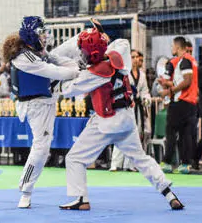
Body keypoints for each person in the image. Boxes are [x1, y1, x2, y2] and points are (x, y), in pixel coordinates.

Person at [56, 23, 183, 211]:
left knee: (74, 158)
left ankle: (81, 199)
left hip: (107, 122)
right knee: (141, 158)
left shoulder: (94, 73)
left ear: (92, 54)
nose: (80, 53)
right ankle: (169, 194)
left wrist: (61, 76)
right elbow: (120, 43)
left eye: (83, 51)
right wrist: (102, 37)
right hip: (127, 120)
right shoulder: (121, 57)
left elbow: (67, 90)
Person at [3, 16, 79, 209]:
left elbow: (57, 62)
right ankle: (25, 190)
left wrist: (68, 61)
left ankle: (85, 37)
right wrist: (77, 72)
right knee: (41, 149)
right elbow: (58, 73)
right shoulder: (25, 58)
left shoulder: (35, 52)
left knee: (65, 51)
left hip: (46, 98)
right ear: (31, 35)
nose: (45, 37)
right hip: (36, 106)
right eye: (42, 34)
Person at [158, 36, 199, 174]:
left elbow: (187, 81)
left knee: (171, 131)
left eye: (172, 46)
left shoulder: (184, 61)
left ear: (178, 47)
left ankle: (167, 162)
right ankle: (185, 164)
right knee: (185, 134)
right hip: (191, 103)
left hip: (181, 101)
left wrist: (170, 90)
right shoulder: (191, 61)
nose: (171, 48)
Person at [110, 49, 151, 171]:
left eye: (137, 57)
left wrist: (146, 99)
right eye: (132, 57)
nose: (135, 59)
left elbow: (145, 91)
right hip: (124, 106)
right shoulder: (123, 72)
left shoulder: (142, 75)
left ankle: (130, 164)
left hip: (137, 108)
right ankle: (116, 164)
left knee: (135, 135)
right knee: (121, 133)